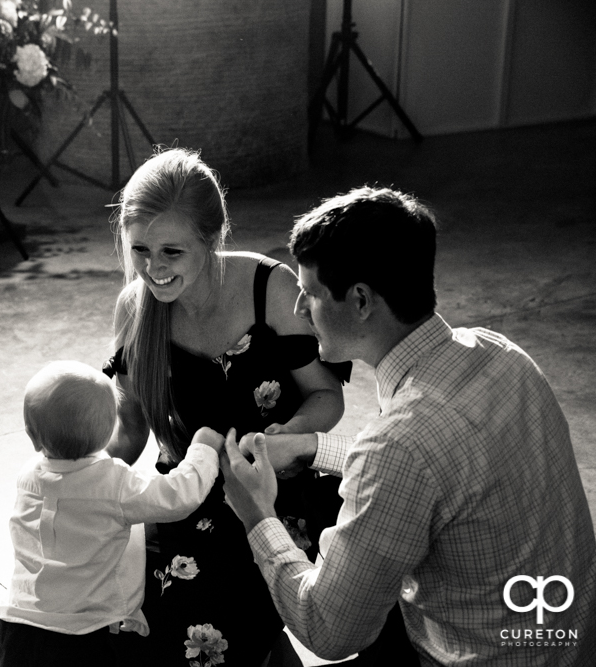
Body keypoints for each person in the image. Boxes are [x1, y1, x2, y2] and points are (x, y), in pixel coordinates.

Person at [220, 186, 596, 666]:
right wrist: (312, 447)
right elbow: (432, 463)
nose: (297, 311)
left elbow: (329, 630)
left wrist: (257, 514)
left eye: (309, 295)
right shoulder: (502, 354)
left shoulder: (400, 444)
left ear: (360, 301)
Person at [103, 148, 351, 666]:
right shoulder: (135, 307)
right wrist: (72, 474)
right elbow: (130, 429)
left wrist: (288, 437)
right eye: (141, 249)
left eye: (172, 251)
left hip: (274, 491)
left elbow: (327, 397)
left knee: (200, 624)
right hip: (184, 493)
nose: (153, 268)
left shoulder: (271, 289)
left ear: (211, 239)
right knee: (125, 615)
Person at [0, 360, 225, 667]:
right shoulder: (112, 484)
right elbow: (178, 496)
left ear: (32, 436)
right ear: (107, 434)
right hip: (80, 639)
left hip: (15, 628)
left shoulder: (29, 477)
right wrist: (203, 450)